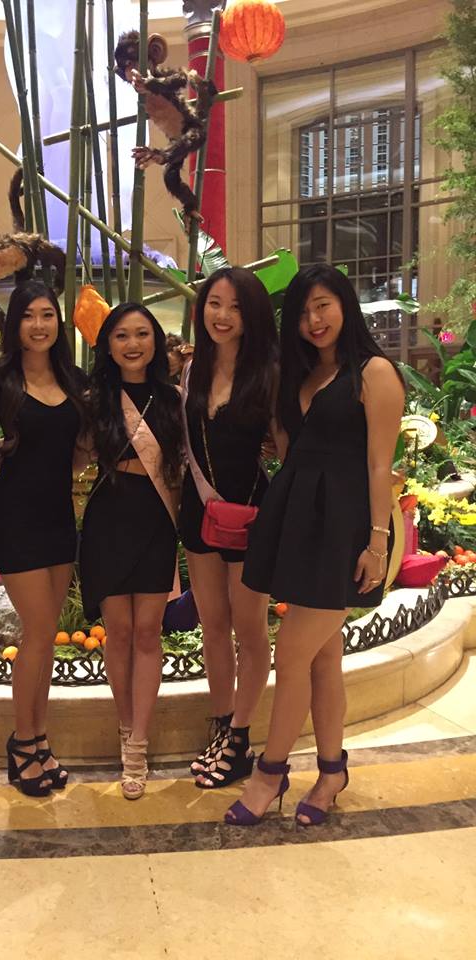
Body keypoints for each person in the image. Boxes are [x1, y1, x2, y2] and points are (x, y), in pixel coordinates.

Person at [229, 264, 405, 827]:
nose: (314, 319)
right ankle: (332, 771)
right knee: (324, 658)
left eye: (323, 305)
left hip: (346, 530)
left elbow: (379, 465)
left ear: (345, 305)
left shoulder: (374, 372)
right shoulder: (299, 376)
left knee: (291, 653)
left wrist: (377, 542)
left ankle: (270, 773)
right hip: (301, 522)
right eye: (304, 312)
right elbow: (290, 453)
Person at [0, 281, 87, 797]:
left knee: (43, 639)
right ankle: (22, 742)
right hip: (14, 515)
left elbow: (82, 447)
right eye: (28, 315)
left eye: (48, 314)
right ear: (15, 324)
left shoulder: (73, 377)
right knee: (41, 630)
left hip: (57, 515)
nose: (39, 325)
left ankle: (39, 738)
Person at [179, 266, 278, 789]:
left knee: (250, 630)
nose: (222, 316)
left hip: (250, 514)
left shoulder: (269, 374)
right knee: (213, 625)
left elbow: (286, 450)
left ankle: (239, 737)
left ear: (252, 315)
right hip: (198, 512)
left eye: (236, 307)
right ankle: (222, 725)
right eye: (214, 304)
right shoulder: (192, 370)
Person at [80, 303, 183, 800]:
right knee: (118, 632)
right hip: (109, 518)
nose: (133, 344)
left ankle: (139, 743)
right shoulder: (94, 399)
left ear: (156, 341)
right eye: (121, 335)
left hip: (155, 520)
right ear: (108, 344)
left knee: (147, 633)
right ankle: (126, 729)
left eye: (142, 334)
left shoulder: (174, 398)